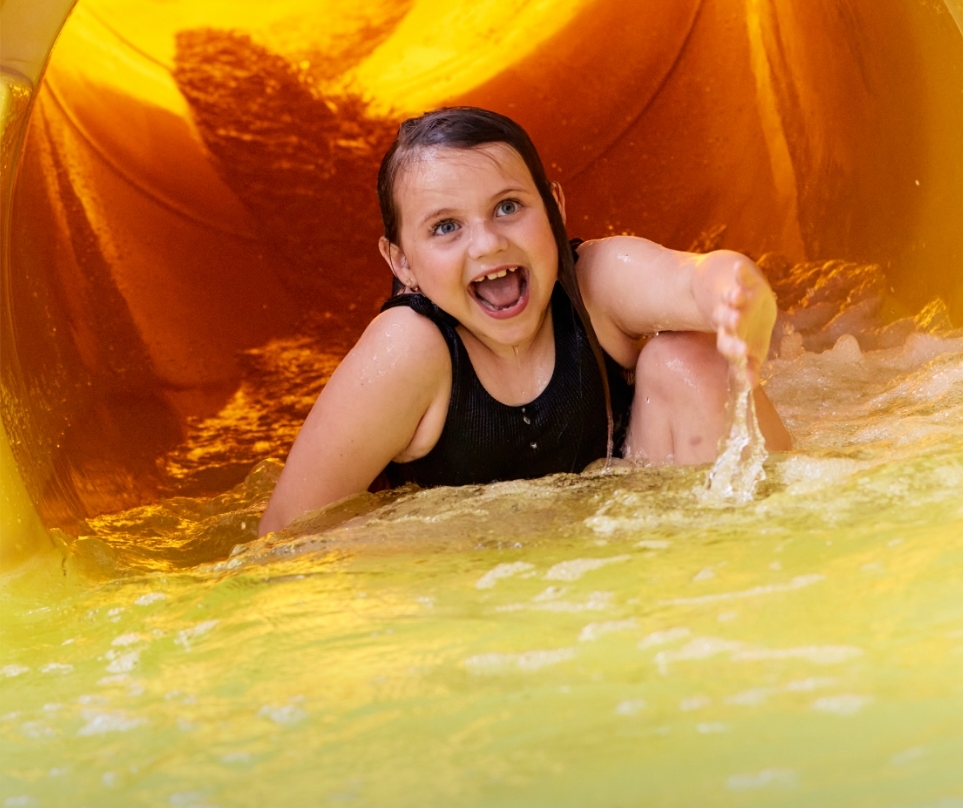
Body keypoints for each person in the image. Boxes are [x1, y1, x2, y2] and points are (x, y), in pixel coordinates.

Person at [258, 107, 790, 535]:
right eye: (446, 227)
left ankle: (756, 557)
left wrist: (737, 295)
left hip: (636, 545)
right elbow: (286, 535)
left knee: (690, 355)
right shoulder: (409, 351)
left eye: (509, 207)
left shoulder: (596, 285)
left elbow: (693, 279)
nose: (488, 243)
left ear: (555, 207)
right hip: (475, 588)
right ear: (402, 263)